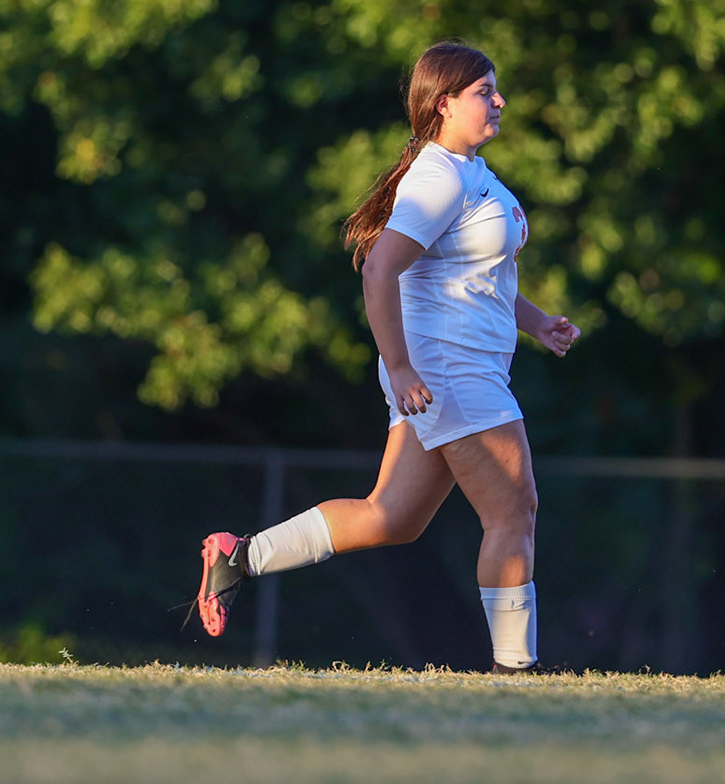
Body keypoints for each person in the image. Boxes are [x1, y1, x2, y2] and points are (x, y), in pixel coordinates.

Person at [193, 39, 580, 671]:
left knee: (391, 516)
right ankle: (517, 675)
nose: (499, 99)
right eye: (485, 91)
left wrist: (537, 323)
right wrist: (399, 368)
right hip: (448, 371)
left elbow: (477, 276)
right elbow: (380, 270)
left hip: (452, 371)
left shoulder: (468, 170)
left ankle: (240, 556)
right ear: (443, 104)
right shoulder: (438, 176)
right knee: (514, 506)